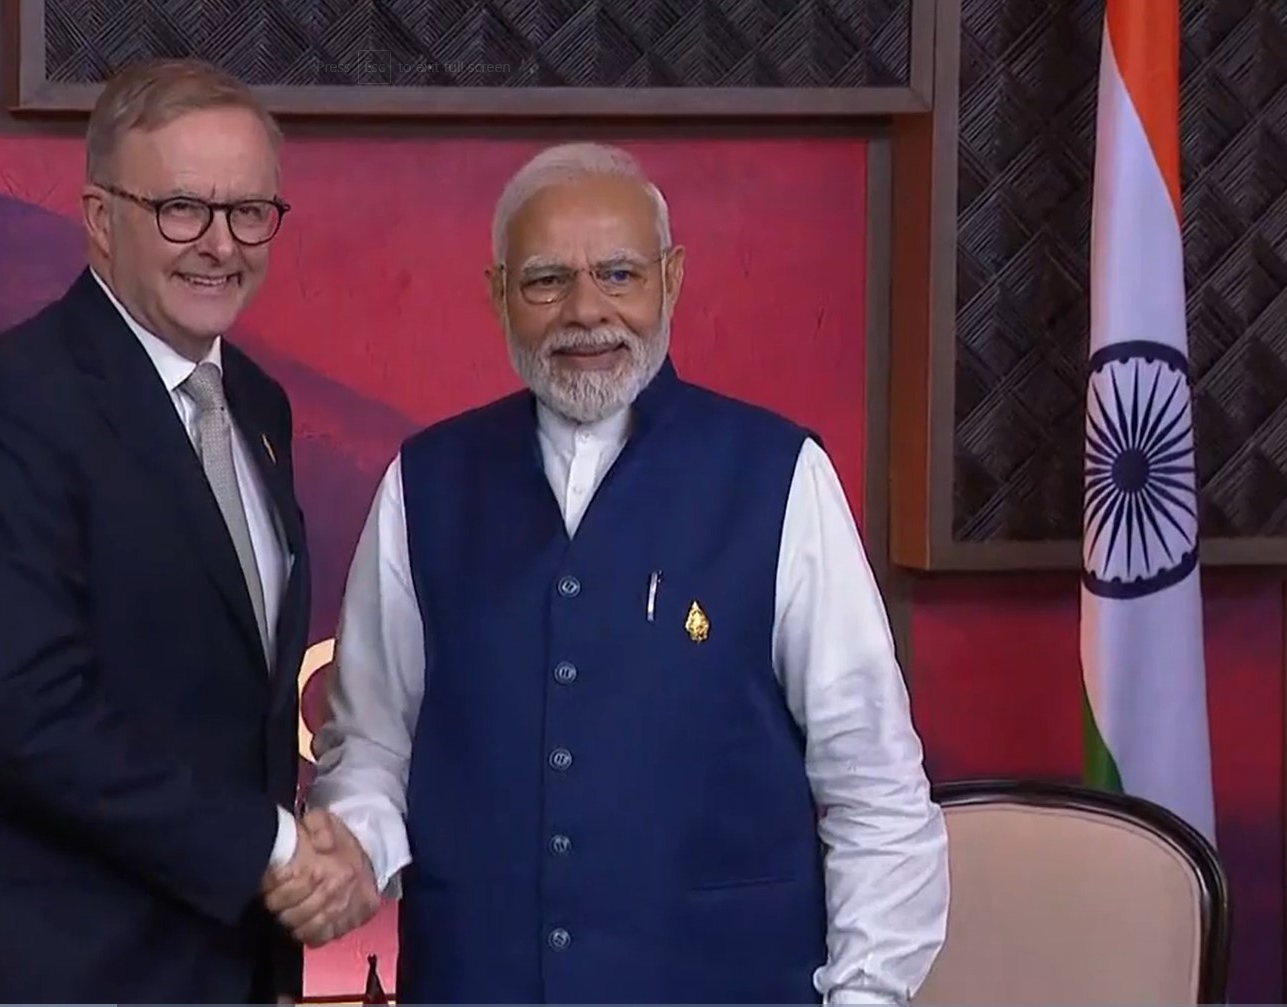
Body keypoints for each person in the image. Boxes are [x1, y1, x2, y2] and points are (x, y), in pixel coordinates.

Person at [281, 142, 952, 1003]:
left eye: (620, 274)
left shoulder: (779, 475)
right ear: (497, 294)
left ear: (672, 279)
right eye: (546, 280)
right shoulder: (425, 481)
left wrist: (864, 995)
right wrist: (354, 846)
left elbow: (873, 784)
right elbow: (372, 745)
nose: (586, 310)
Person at [0, 58, 371, 1003]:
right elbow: (28, 714)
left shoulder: (257, 403)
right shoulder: (10, 404)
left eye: (249, 212)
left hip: (217, 965)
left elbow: (238, 705)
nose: (219, 244)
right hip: (43, 973)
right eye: (182, 209)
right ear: (101, 219)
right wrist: (273, 847)